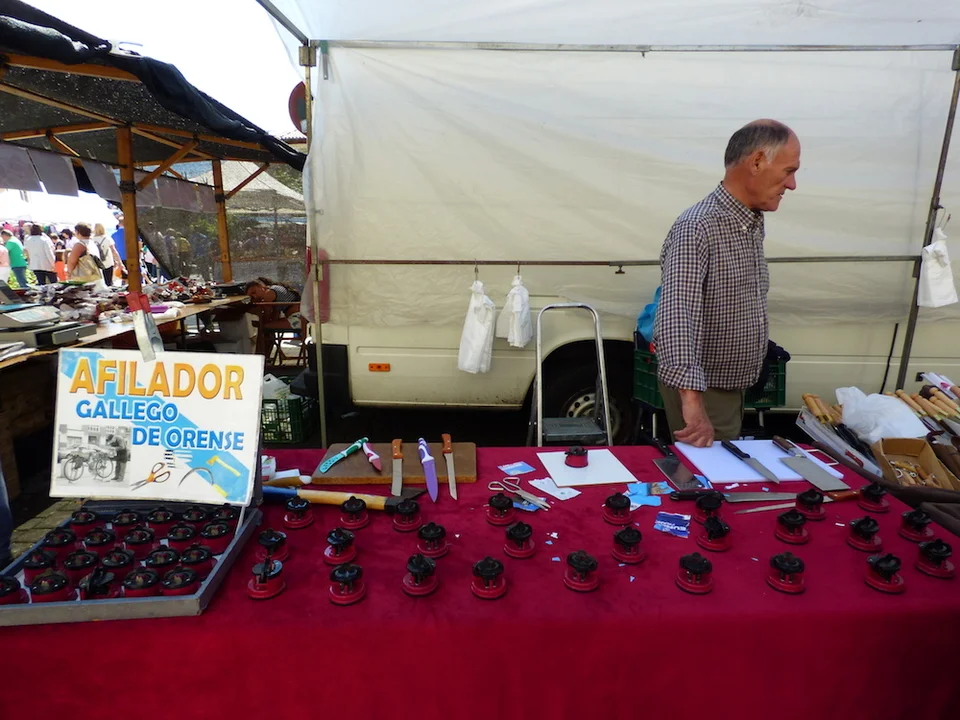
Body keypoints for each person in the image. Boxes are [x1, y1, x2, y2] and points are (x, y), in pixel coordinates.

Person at [654, 119, 801, 447]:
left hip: (726, 387)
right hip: (705, 392)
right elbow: (677, 317)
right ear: (757, 162)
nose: (792, 185)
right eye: (789, 171)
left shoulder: (747, 221)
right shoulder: (698, 227)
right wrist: (693, 402)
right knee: (708, 473)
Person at [245, 277, 302, 357]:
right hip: (299, 318)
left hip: (296, 320)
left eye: (254, 292)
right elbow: (275, 315)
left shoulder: (269, 294)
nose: (255, 296)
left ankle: (261, 355)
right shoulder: (275, 290)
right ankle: (265, 356)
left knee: (263, 328)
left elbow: (267, 316)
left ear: (261, 286)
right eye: (252, 296)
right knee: (267, 328)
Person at [92, 222, 123, 287]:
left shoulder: (92, 239)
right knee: (108, 282)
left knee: (98, 284)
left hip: (96, 263)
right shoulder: (107, 238)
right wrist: (119, 262)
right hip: (108, 262)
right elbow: (114, 251)